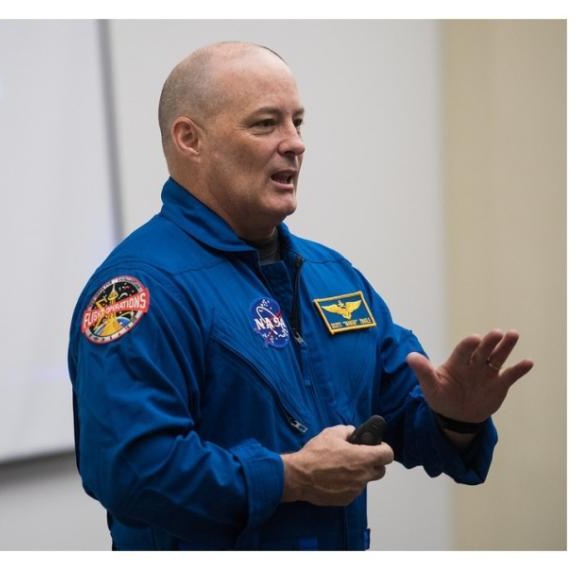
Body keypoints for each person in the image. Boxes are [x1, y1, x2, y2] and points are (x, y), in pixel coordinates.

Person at [67, 41, 533, 550]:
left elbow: (408, 415)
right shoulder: (138, 291)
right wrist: (290, 477)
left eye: (298, 122)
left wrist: (456, 418)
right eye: (266, 124)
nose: (295, 143)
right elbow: (132, 470)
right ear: (189, 139)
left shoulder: (333, 275)